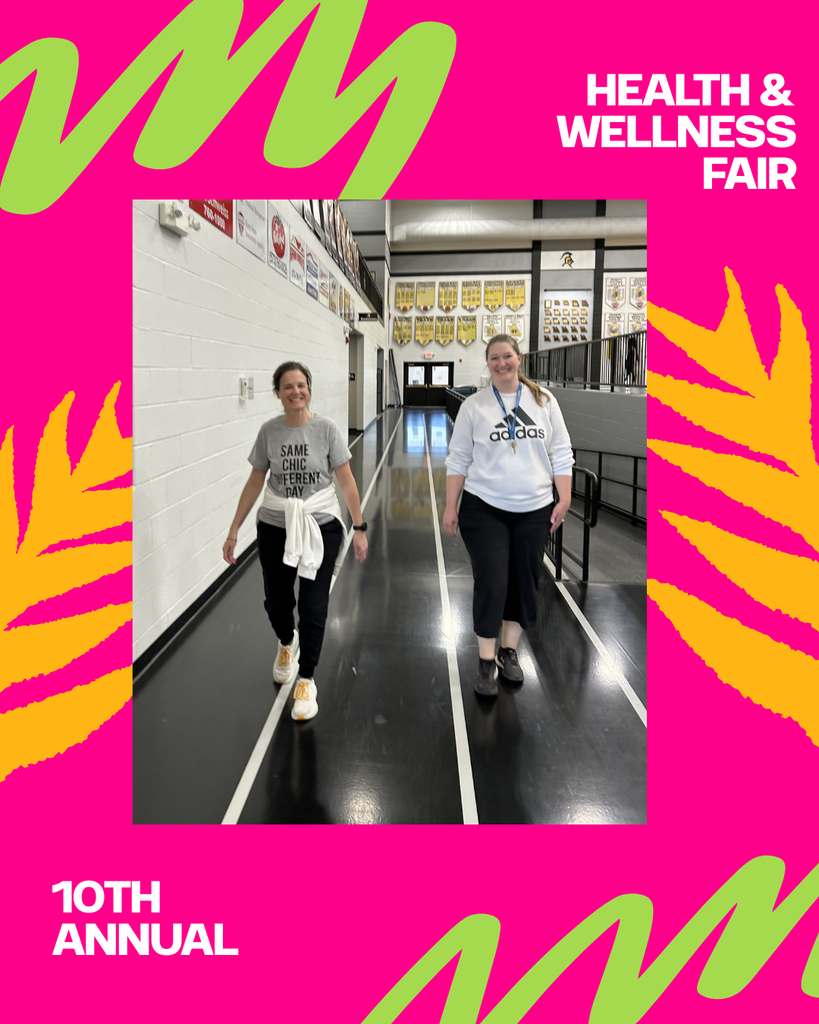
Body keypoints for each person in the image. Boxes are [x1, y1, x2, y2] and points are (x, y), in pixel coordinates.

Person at [222, 361, 368, 721]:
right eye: (288, 386)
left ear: (309, 389)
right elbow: (256, 482)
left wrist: (360, 527)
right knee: (277, 601)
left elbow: (346, 481)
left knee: (315, 605)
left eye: (301, 385)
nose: (296, 391)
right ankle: (286, 643)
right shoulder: (269, 432)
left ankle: (306, 678)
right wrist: (234, 529)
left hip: (320, 524)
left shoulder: (327, 429)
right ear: (277, 393)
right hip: (275, 525)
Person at [443, 335, 573, 696]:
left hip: (534, 509)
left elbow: (561, 452)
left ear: (519, 358)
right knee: (493, 581)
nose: (502, 363)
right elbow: (458, 460)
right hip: (484, 508)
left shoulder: (544, 401)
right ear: (487, 363)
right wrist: (450, 506)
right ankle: (486, 661)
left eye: (508, 356)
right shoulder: (474, 406)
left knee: (522, 581)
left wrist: (564, 497)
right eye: (494, 358)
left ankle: (508, 652)